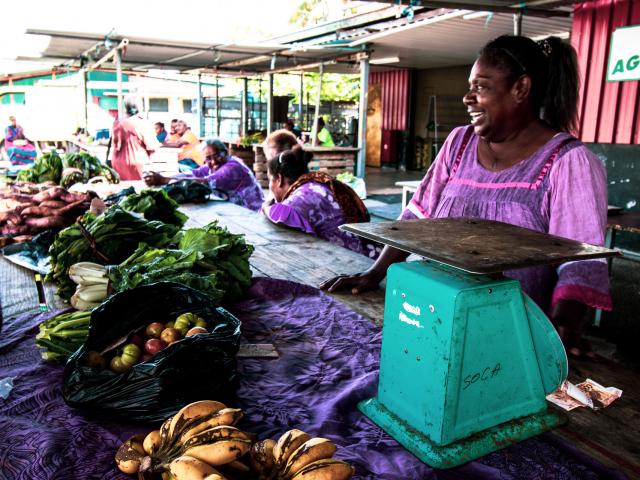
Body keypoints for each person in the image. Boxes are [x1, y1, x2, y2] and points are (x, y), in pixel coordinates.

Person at [321, 35, 611, 359]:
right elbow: (417, 217)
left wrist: (562, 326)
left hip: (511, 339)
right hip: (435, 317)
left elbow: (582, 261)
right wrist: (375, 274)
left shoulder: (568, 162)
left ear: (521, 88)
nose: (467, 97)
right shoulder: (459, 143)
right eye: (470, 86)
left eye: (481, 87)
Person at [263, 145, 379, 258]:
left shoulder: (302, 196)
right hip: (368, 253)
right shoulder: (314, 185)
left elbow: (278, 213)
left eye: (270, 180)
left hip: (360, 263)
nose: (270, 186)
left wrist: (267, 205)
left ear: (279, 179)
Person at [144, 138, 264, 211]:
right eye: (208, 158)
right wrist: (167, 177)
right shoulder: (213, 165)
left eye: (217, 155)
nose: (213, 161)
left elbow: (205, 182)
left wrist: (164, 180)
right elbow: (193, 173)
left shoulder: (233, 167)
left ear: (225, 153)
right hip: (236, 209)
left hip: (251, 213)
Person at [111, 99, 160, 181]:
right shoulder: (143, 123)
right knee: (137, 191)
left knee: (121, 191)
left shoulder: (118, 122)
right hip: (138, 162)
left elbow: (116, 144)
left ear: (125, 108)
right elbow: (152, 147)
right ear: (140, 108)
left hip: (118, 163)